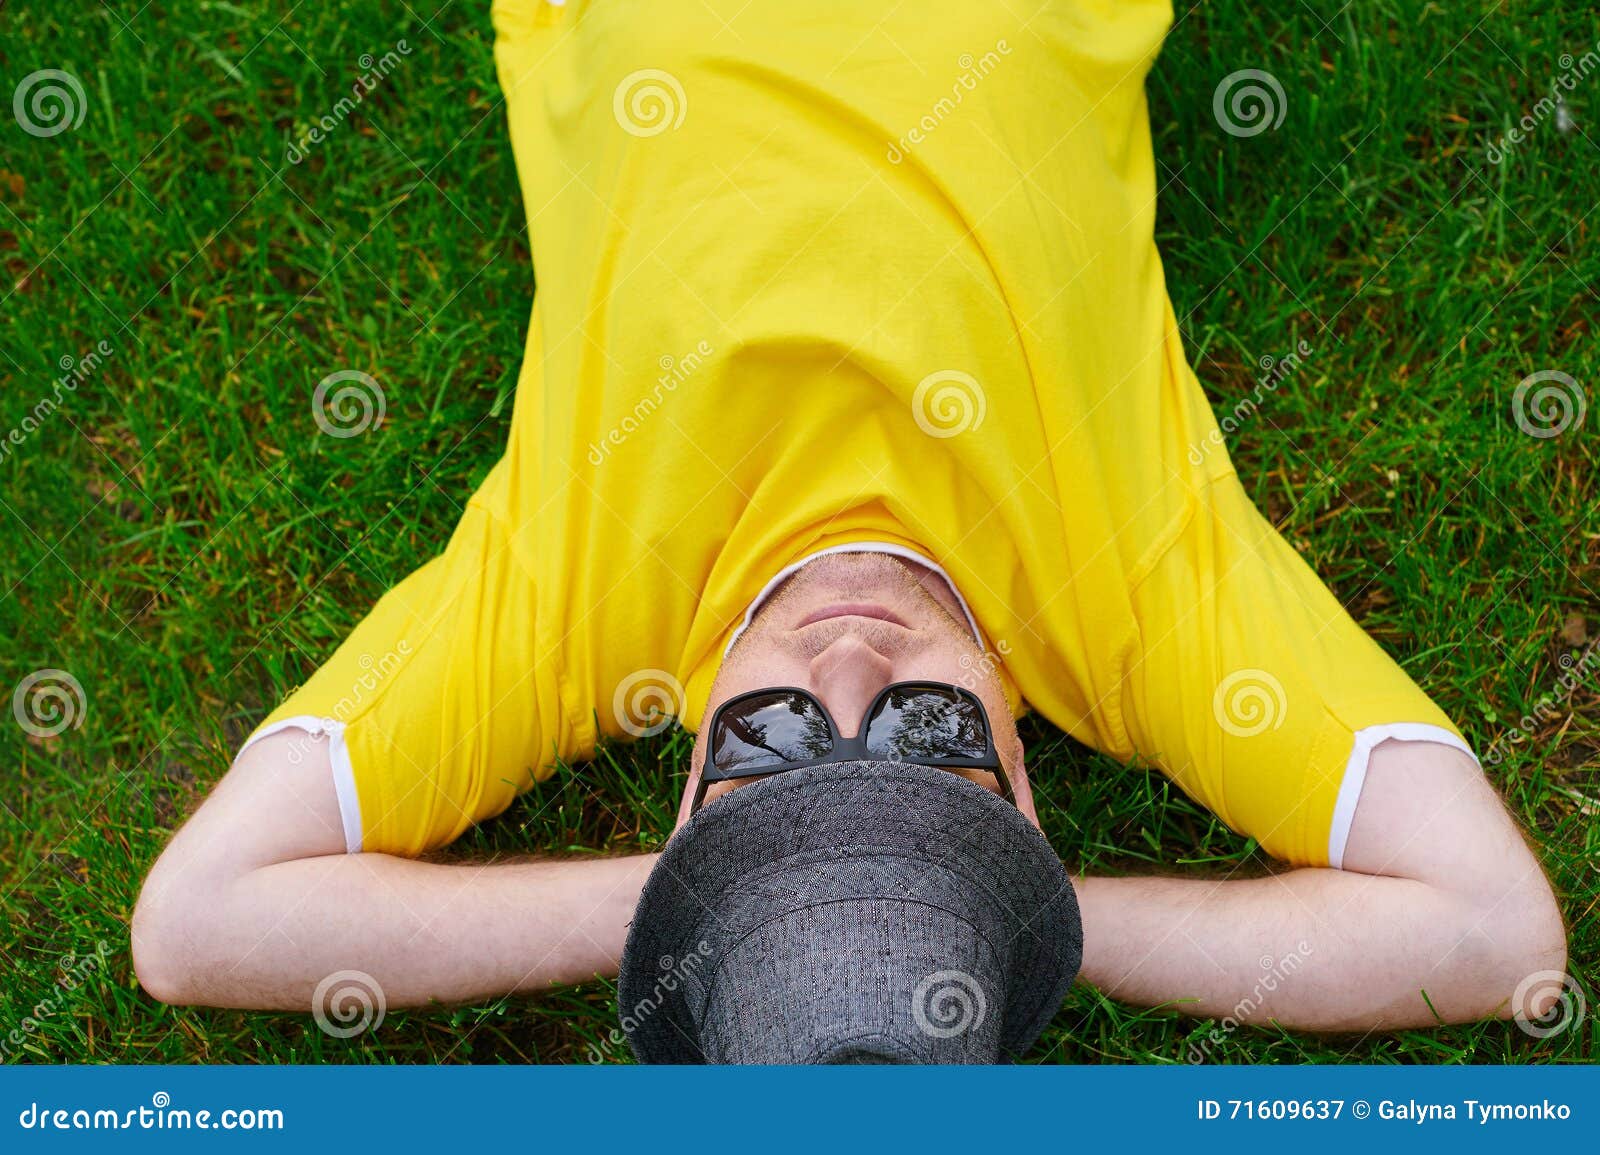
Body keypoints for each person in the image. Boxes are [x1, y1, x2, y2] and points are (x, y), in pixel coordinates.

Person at [132, 0, 1565, 1054]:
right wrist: (1013, 912)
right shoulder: (1135, 607)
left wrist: (713, 897)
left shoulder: (571, 616)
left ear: (693, 789)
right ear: (1024, 784)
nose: (850, 675)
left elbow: (195, 925)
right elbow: (1496, 936)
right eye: (933, 749)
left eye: (775, 754)